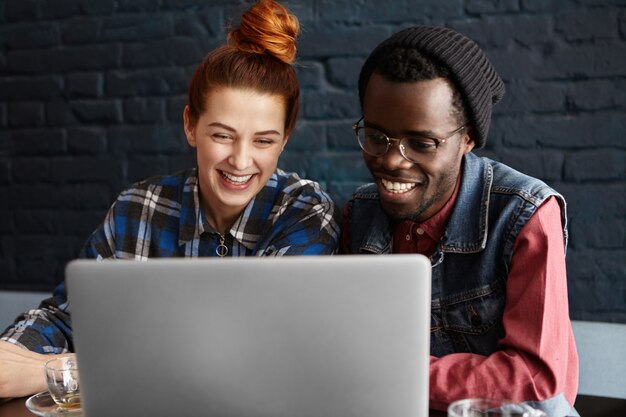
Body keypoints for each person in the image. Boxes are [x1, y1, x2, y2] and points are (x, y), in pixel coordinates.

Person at [0, 0, 339, 399]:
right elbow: (68, 319)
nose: (241, 160)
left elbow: (249, 352)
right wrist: (14, 352)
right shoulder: (137, 208)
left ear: (284, 141)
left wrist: (66, 369)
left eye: (263, 141)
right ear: (190, 126)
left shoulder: (304, 213)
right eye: (222, 135)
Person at [339, 26, 578, 416]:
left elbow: (535, 378)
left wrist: (390, 376)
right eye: (376, 136)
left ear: (467, 138)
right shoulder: (359, 216)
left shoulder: (525, 215)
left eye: (421, 143)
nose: (392, 160)